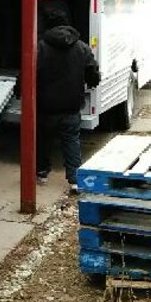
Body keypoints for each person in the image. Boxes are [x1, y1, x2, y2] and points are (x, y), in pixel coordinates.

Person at [36, 11, 100, 192]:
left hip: (46, 105)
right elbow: (93, 72)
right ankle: (74, 180)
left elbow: (29, 72)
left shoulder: (40, 47)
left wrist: (20, 91)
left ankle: (42, 172)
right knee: (71, 140)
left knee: (43, 140)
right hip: (71, 104)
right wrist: (92, 83)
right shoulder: (81, 47)